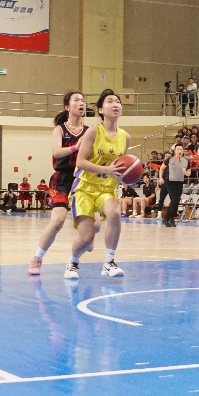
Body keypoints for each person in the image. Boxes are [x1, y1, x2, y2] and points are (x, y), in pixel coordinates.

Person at [28, 92, 101, 276]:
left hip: (83, 178)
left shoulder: (90, 131)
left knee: (96, 226)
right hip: (62, 178)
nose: (81, 103)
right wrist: (76, 146)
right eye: (76, 100)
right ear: (67, 107)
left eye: (83, 100)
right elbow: (57, 152)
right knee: (58, 220)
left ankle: (82, 246)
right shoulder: (60, 130)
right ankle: (37, 258)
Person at [66, 89, 131, 279]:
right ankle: (73, 262)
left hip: (107, 188)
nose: (115, 104)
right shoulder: (94, 131)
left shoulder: (125, 137)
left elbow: (122, 166)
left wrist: (125, 176)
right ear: (101, 110)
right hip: (85, 187)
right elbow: (80, 162)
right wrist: (106, 169)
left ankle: (109, 262)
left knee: (115, 215)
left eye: (118, 101)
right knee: (87, 239)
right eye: (110, 101)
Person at [158, 144, 191, 227]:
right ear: (175, 151)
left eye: (181, 149)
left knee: (175, 201)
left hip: (179, 182)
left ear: (183, 151)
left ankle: (167, 218)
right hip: (170, 181)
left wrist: (185, 172)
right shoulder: (170, 159)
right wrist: (160, 178)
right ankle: (171, 219)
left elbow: (189, 173)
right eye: (178, 149)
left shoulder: (186, 161)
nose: (179, 151)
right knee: (175, 199)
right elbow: (161, 168)